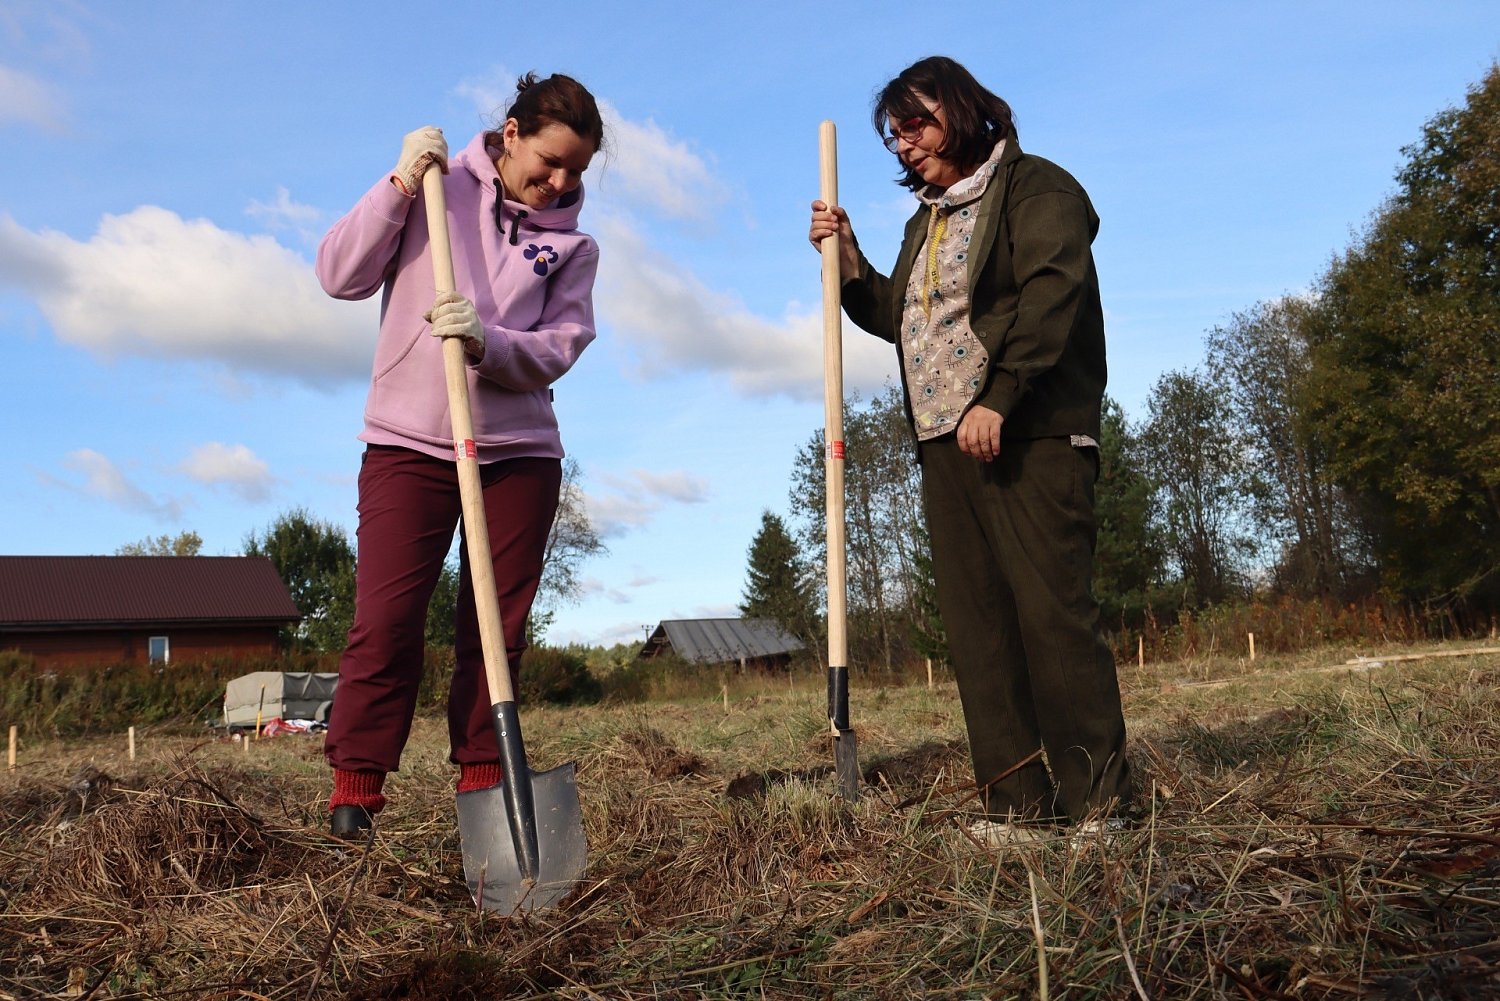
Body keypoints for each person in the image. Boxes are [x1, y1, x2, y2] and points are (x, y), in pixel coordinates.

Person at [809, 56, 1131, 844]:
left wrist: (1001, 395)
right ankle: (1017, 806)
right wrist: (849, 262)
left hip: (1028, 432)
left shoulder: (1037, 189)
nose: (903, 142)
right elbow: (900, 317)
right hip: (944, 442)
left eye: (915, 122)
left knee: (1051, 618)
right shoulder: (927, 221)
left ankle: (1099, 805)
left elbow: (1052, 294)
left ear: (961, 107)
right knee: (980, 629)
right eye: (894, 134)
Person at [315, 72, 605, 838]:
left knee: (494, 633)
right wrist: (399, 183)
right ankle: (355, 793)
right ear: (511, 133)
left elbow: (561, 345)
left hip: (518, 455)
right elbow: (339, 275)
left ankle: (487, 792)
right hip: (408, 444)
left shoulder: (573, 248)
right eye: (550, 160)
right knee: (385, 621)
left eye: (576, 170)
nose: (561, 181)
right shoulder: (434, 192)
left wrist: (488, 342)